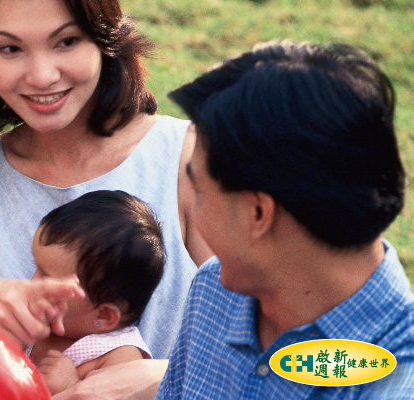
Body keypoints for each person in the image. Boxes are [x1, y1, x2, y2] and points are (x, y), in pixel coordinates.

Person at [0, 0, 213, 395]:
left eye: (66, 41)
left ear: (103, 37)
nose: (42, 76)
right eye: (9, 48)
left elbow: (276, 354)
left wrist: (150, 377)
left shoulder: (189, 159)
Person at [157, 40, 413, 398]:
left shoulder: (398, 383)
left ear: (258, 213)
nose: (192, 212)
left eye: (197, 190)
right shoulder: (214, 292)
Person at [27, 190, 164, 395]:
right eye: (35, 268)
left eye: (47, 278)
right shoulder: (36, 322)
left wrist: (70, 387)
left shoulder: (120, 356)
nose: (31, 284)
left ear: (104, 316)